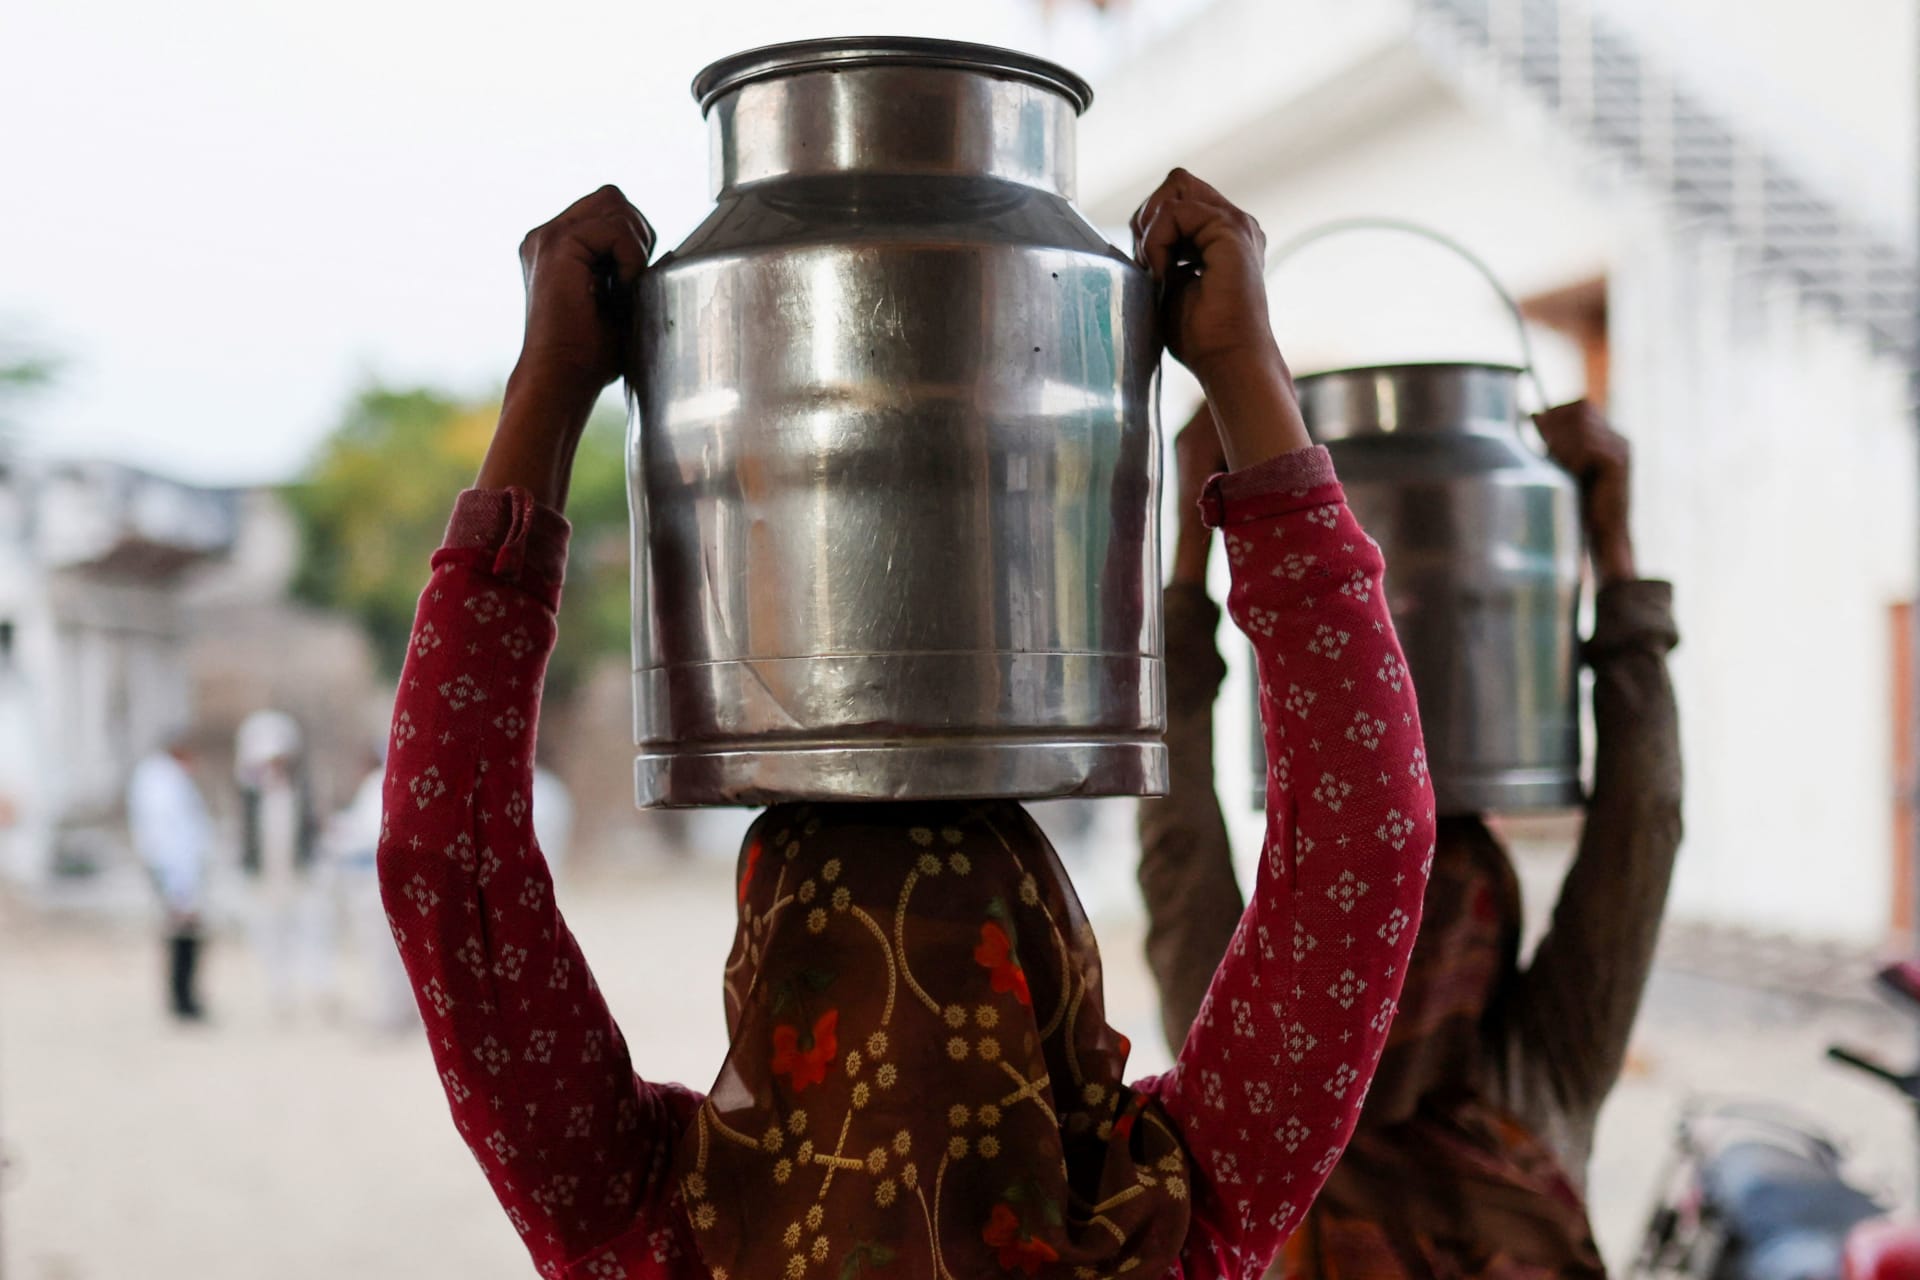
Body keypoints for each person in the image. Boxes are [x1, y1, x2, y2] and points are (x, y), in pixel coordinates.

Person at [378, 172, 1436, 1279]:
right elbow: (1370, 838)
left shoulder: (656, 1228)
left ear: (770, 978)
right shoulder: (1170, 1218)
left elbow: (442, 862)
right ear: (1052, 964)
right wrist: (1243, 372)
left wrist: (545, 387)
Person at [1138, 397, 1683, 1277]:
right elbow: (1643, 832)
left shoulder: (1259, 1094)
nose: (1395, 968)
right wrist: (1615, 558)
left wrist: (1193, 554)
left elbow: (1178, 845)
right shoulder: (1538, 1082)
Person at [235, 709, 334, 1018]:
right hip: (267, 881)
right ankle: (280, 994)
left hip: (300, 878)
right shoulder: (251, 798)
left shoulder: (301, 794)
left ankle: (319, 990)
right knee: (271, 938)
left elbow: (313, 833)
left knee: (312, 934)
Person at [128, 732, 215, 1022]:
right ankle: (182, 1000)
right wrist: (178, 884)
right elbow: (169, 838)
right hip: (175, 874)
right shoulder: (162, 784)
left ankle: (185, 998)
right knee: (182, 939)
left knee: (185, 937)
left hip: (178, 873)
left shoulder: (164, 780)